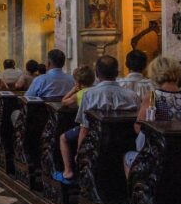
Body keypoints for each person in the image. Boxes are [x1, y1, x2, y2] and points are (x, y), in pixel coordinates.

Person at [54, 55, 139, 184]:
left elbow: (84, 127)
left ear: (97, 73)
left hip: (97, 145)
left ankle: (68, 172)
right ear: (117, 73)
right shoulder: (132, 96)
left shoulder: (90, 94)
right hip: (125, 144)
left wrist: (79, 153)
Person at [124, 56, 181, 176]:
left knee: (128, 156)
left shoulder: (154, 97)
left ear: (155, 74)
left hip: (161, 154)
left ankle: (135, 192)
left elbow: (139, 127)